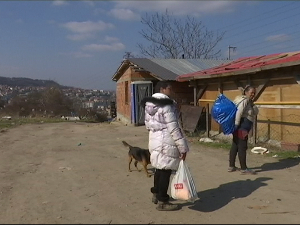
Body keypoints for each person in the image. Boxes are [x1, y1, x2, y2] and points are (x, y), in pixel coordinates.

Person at [141, 81, 189, 211]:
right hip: (166, 141)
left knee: (159, 169)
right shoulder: (166, 105)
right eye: (169, 88)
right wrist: (182, 147)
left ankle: (156, 195)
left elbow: (147, 125)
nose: (171, 91)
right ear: (162, 89)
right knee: (165, 171)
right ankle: (163, 201)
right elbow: (173, 127)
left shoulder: (149, 105)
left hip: (154, 139)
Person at [228, 85, 259, 175]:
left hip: (239, 126)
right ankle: (244, 168)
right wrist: (237, 124)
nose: (253, 94)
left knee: (235, 145)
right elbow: (239, 112)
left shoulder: (246, 101)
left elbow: (255, 112)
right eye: (251, 92)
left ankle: (231, 166)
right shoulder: (244, 100)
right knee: (242, 147)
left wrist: (252, 104)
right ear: (246, 92)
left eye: (254, 93)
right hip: (242, 127)